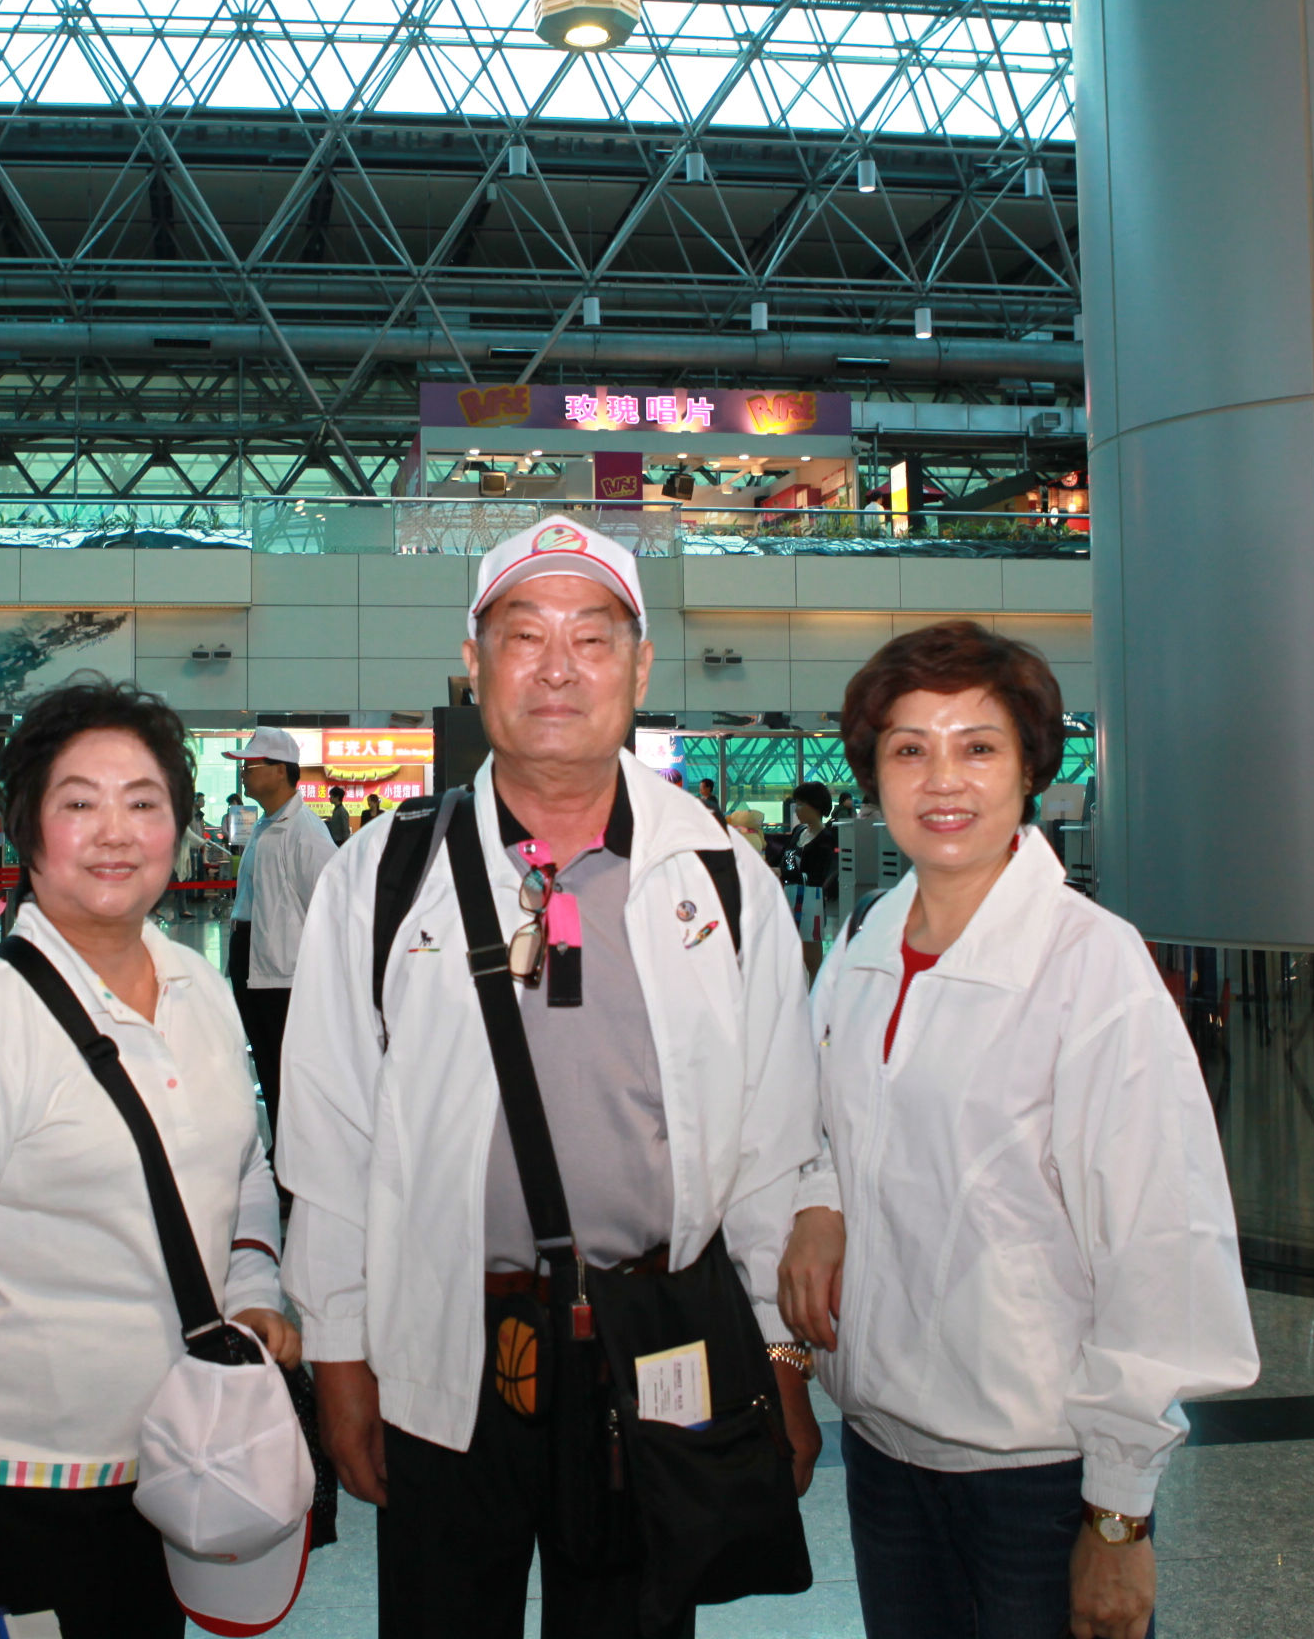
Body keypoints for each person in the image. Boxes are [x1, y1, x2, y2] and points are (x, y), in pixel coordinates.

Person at [281, 518, 822, 1638]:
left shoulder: (721, 878)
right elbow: (330, 1139)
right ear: (473, 664)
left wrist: (779, 1349)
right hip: (447, 1339)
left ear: (640, 666)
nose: (559, 667)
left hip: (658, 1341)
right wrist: (337, 1351)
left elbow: (773, 1137)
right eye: (524, 636)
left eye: (592, 636)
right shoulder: (383, 875)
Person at [776, 620, 1258, 1639]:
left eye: (979, 746)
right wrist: (820, 1201)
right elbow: (820, 1113)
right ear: (874, 772)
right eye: (910, 747)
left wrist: (1118, 1513)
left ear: (1031, 768)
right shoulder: (865, 942)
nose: (943, 779)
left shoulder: (1091, 965)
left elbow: (1158, 1243)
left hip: (1037, 1471)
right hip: (885, 1449)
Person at [0, 677, 296, 1639]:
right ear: (26, 829)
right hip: (21, 1488)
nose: (115, 833)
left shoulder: (200, 990)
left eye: (144, 803)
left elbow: (243, 1171)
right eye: (80, 803)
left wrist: (256, 1285)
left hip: (182, 1468)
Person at [224, 728, 338, 1134]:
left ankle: (299, 1155)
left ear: (279, 771)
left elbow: (331, 908)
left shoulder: (305, 833)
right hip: (254, 960)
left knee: (287, 1068)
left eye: (251, 766)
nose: (244, 773)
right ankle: (283, 1149)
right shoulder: (266, 825)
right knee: (268, 1062)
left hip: (283, 975)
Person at [777, 783, 838, 970]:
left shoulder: (826, 839)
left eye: (801, 804)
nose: (796, 809)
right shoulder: (799, 832)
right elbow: (782, 859)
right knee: (787, 959)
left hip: (810, 903)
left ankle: (815, 989)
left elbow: (815, 878)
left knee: (811, 962)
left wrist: (783, 873)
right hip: (787, 897)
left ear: (816, 806)